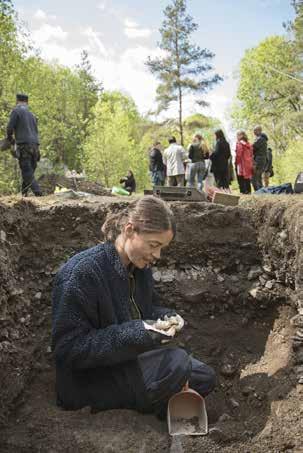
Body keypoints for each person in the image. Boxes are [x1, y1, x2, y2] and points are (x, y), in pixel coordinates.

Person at [52, 196, 216, 418]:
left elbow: (147, 311)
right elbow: (69, 350)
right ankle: (161, 401)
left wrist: (168, 318)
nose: (157, 255)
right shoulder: (82, 274)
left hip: (127, 362)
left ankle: (163, 396)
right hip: (89, 381)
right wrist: (139, 333)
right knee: (177, 363)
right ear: (130, 230)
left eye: (162, 248)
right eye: (154, 245)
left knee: (204, 375)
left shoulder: (138, 268)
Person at [6, 93, 42, 196]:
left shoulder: (16, 111)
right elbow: (35, 132)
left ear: (17, 101)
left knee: (27, 173)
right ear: (27, 102)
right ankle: (24, 195)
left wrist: (10, 140)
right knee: (28, 173)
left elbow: (9, 128)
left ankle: (39, 195)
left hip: (24, 147)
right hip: (35, 147)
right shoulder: (32, 115)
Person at [252, 126, 268, 191]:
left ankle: (259, 191)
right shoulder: (262, 138)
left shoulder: (260, 139)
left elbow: (253, 147)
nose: (254, 132)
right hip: (261, 159)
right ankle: (260, 191)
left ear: (259, 131)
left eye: (255, 131)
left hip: (259, 159)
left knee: (255, 176)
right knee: (258, 176)